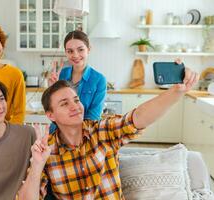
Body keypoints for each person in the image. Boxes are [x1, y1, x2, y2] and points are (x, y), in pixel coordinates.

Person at [18, 66, 199, 199]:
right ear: (50, 115)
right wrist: (36, 166)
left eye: (76, 100)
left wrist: (176, 91)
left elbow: (138, 118)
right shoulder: (46, 150)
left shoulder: (102, 130)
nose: (75, 107)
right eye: (64, 104)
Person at [48, 30, 107, 132]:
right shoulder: (60, 75)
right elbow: (52, 111)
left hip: (83, 135)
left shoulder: (99, 80)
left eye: (80, 50)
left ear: (88, 49)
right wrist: (51, 90)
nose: (75, 55)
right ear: (66, 52)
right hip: (57, 132)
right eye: (70, 51)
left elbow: (93, 117)